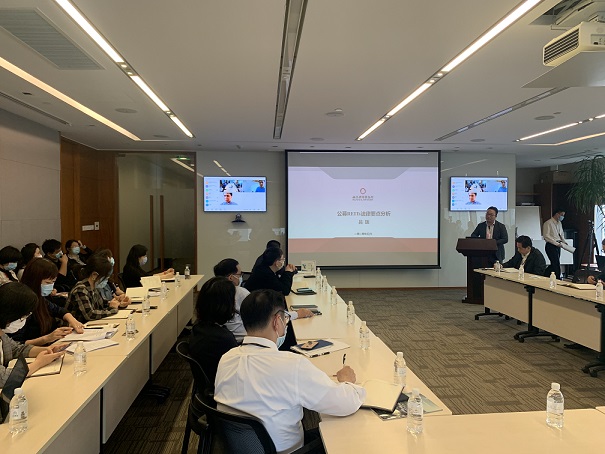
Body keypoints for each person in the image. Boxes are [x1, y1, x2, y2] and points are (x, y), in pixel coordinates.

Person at [214, 289, 365, 454]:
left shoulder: (226, 359)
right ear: (277, 321)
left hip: (242, 448)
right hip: (290, 451)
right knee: (351, 429)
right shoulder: (292, 365)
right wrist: (347, 381)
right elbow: (345, 404)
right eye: (285, 318)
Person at [214, 258, 313, 343]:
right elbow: (266, 314)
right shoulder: (239, 292)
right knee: (289, 331)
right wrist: (297, 314)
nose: (241, 277)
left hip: (230, 339)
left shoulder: (213, 291)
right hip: (248, 338)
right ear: (231, 277)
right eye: (240, 274)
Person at [0, 282, 67, 387]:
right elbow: (4, 378)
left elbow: (17, 349)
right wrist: (38, 363)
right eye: (23, 317)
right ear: (10, 314)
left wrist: (47, 350)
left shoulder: (2, 335)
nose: (24, 321)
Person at [12, 258, 84, 345]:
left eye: (53, 282)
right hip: (34, 350)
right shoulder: (21, 303)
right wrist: (47, 338)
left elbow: (58, 310)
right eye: (47, 282)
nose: (51, 286)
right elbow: (16, 344)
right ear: (34, 280)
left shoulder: (40, 298)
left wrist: (73, 321)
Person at [189, 277, 238, 384]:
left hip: (213, 378)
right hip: (224, 385)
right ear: (225, 304)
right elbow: (238, 369)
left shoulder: (198, 326)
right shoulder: (223, 338)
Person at [66, 254, 129, 322]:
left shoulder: (94, 287)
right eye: (105, 278)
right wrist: (112, 309)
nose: (107, 281)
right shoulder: (81, 289)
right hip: (76, 325)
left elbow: (102, 304)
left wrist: (118, 303)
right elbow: (90, 314)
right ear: (94, 275)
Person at [543, 208, 567, 280]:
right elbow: (546, 236)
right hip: (551, 245)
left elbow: (561, 234)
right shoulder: (548, 223)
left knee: (554, 263)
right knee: (556, 263)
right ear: (557, 214)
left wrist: (563, 241)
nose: (562, 217)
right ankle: (557, 278)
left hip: (558, 245)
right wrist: (556, 243)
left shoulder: (559, 223)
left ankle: (545, 275)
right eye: (562, 215)